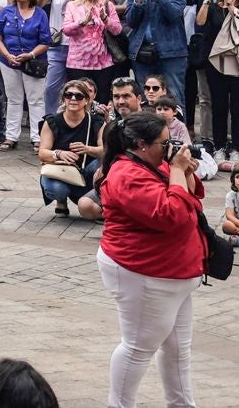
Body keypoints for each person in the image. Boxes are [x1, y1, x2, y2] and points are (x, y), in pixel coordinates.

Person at [96, 110, 205, 408]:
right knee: (138, 347)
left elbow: (192, 200)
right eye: (164, 143)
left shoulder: (154, 163)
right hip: (144, 272)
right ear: (141, 144)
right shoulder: (126, 174)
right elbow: (172, 215)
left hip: (174, 272)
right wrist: (178, 170)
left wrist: (184, 171)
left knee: (178, 348)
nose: (170, 149)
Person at [37, 78, 103, 219]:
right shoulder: (52, 121)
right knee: (58, 189)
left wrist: (88, 149)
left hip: (87, 170)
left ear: (86, 100)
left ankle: (94, 199)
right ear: (63, 99)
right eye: (68, 95)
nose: (73, 99)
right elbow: (42, 153)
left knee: (102, 164)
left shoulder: (97, 121)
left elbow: (106, 150)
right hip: (61, 170)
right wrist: (59, 154)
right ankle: (61, 200)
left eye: (79, 96)